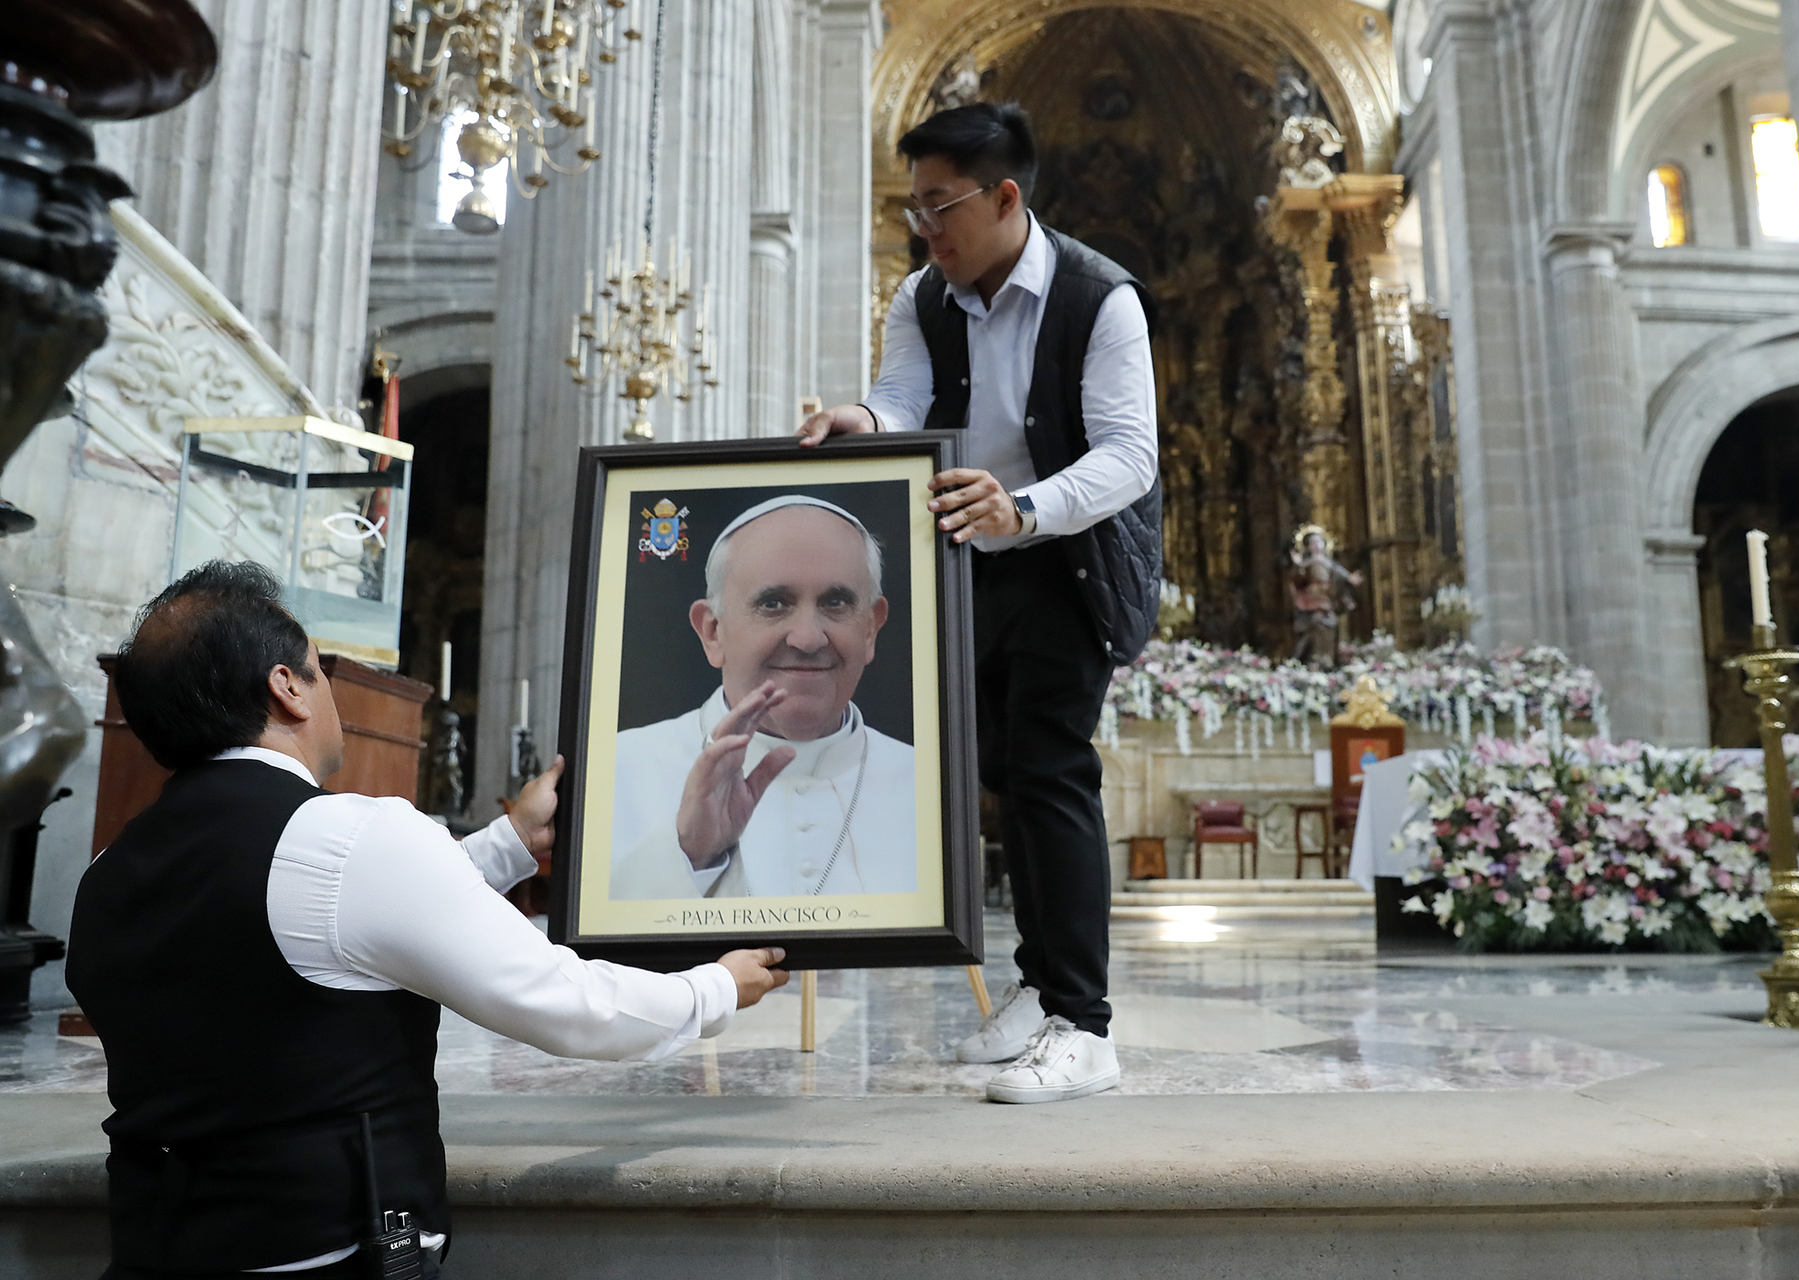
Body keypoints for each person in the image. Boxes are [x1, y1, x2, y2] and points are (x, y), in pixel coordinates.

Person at [64, 561, 789, 1279]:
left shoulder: (104, 875)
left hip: (154, 1249)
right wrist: (716, 988)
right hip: (329, 1255)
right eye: (319, 671)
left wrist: (509, 843)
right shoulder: (351, 839)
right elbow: (570, 1005)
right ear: (286, 689)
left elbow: (325, 931)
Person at [798, 102, 1160, 1104]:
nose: (928, 230)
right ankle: (1042, 988)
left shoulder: (1100, 300)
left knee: (1050, 766)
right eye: (916, 209)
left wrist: (1026, 507)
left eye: (941, 206)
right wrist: (857, 418)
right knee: (1000, 768)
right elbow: (903, 403)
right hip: (966, 554)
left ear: (1005, 197)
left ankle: (1086, 1026)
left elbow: (1130, 455)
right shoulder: (923, 297)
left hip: (1063, 552)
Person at [609, 495, 916, 899]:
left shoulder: (928, 785)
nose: (807, 638)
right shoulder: (617, 770)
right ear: (713, 632)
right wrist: (689, 855)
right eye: (773, 604)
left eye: (836, 602)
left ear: (871, 630)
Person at [1289, 523, 1362, 667]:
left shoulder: (1328, 563)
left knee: (1329, 626)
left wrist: (1350, 578)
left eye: (1319, 541)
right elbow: (1297, 579)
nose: (1316, 545)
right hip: (1312, 599)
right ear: (1308, 546)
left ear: (1324, 544)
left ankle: (1328, 658)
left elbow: (1340, 574)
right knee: (1315, 627)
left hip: (1327, 598)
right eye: (1312, 542)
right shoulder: (1307, 563)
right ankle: (1315, 660)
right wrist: (1298, 565)